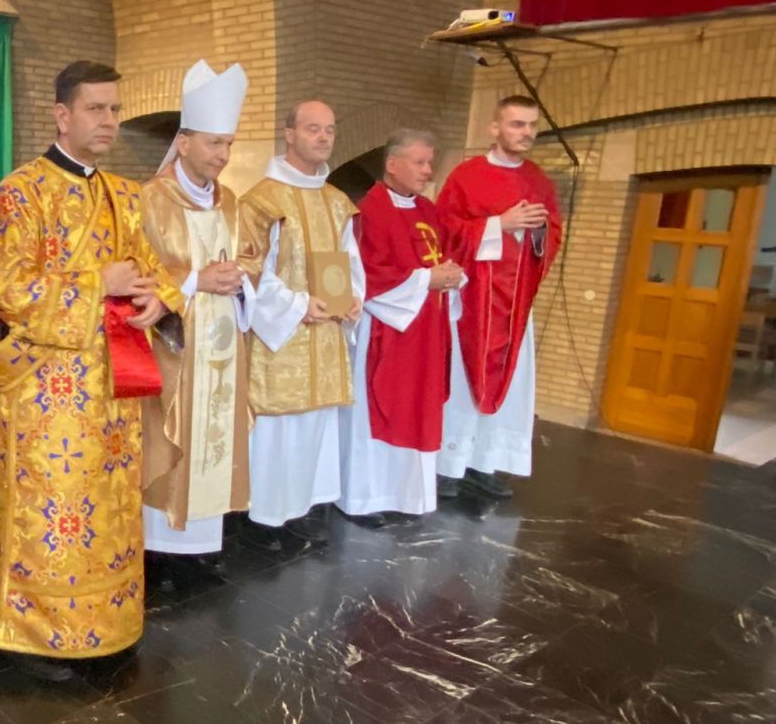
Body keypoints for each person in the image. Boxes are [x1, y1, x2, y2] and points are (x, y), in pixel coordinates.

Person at [0, 61, 185, 677]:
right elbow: (0, 286)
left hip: (112, 392)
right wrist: (95, 283)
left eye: (115, 109)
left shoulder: (126, 195)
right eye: (96, 109)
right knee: (50, 513)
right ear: (62, 115)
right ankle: (37, 635)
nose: (109, 120)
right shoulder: (20, 193)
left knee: (106, 512)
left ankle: (106, 624)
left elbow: (149, 268)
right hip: (46, 394)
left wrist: (159, 299)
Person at [140, 61, 254, 569]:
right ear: (183, 143)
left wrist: (242, 280)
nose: (223, 155)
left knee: (215, 437)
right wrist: (195, 280)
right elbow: (139, 270)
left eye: (228, 144)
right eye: (214, 143)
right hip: (173, 349)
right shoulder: (149, 200)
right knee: (170, 439)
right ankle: (159, 549)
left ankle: (202, 547)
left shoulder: (232, 203)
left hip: (224, 345)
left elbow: (251, 258)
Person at [236, 101, 361, 548]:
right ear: (289, 134)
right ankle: (264, 519)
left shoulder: (337, 201)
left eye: (329, 130)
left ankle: (305, 509)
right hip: (281, 338)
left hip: (325, 335)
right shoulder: (261, 200)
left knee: (315, 427)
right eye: (313, 129)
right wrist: (297, 305)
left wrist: (353, 298)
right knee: (280, 433)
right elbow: (251, 271)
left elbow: (349, 262)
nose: (323, 137)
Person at [436, 95, 563, 499]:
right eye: (516, 124)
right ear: (495, 128)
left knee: (511, 386)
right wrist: (498, 224)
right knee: (460, 382)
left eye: (531, 125)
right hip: (471, 302)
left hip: (514, 305)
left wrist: (537, 232)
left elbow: (553, 233)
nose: (526, 133)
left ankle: (486, 463)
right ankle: (447, 464)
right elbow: (444, 229)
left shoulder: (538, 180)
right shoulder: (466, 176)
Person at [338, 130, 465, 521]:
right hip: (386, 330)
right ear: (392, 164)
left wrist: (452, 276)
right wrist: (427, 280)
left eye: (430, 163)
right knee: (376, 411)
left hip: (426, 332)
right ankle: (363, 499)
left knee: (418, 409)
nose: (428, 171)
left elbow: (444, 257)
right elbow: (366, 275)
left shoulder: (429, 211)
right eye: (420, 162)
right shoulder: (368, 212)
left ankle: (408, 496)